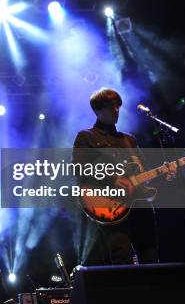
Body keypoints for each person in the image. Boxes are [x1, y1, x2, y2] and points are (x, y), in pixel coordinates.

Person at [72, 88, 173, 265]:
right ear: (97, 110)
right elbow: (81, 168)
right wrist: (113, 180)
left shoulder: (129, 139)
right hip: (112, 207)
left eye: (117, 106)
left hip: (141, 207)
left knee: (151, 257)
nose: (116, 110)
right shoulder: (86, 137)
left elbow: (144, 171)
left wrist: (163, 173)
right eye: (110, 107)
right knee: (122, 258)